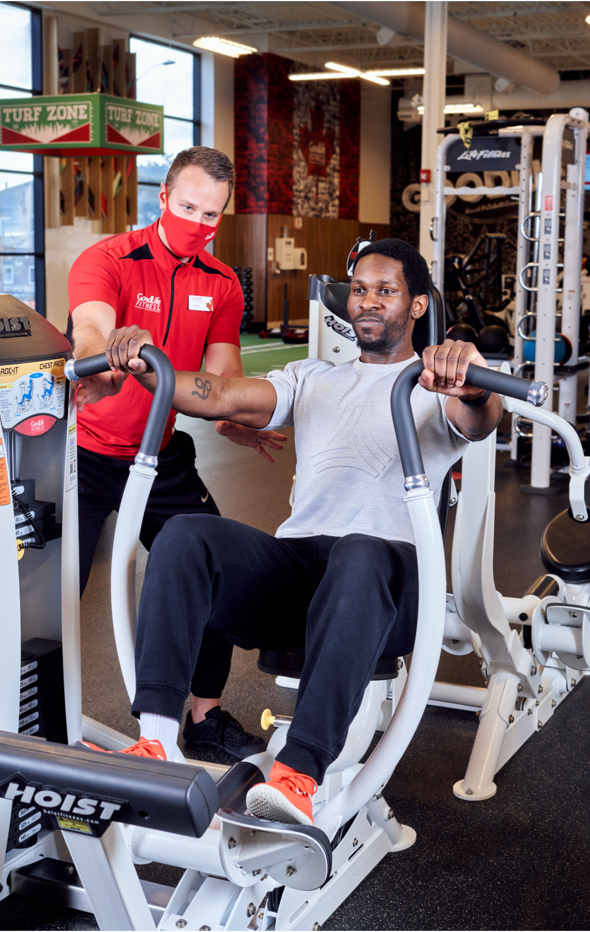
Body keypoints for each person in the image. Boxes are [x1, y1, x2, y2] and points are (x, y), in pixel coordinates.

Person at [95, 238, 503, 825]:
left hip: (391, 581)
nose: (367, 302)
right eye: (360, 289)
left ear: (416, 305)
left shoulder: (434, 384)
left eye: (385, 291)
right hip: (302, 573)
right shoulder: (312, 377)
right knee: (186, 532)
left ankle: (299, 774)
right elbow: (221, 397)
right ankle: (156, 740)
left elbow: (481, 418)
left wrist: (473, 382)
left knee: (359, 554)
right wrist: (147, 363)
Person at [68, 146, 287, 760]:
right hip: (84, 456)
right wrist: (107, 351)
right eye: (188, 207)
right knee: (53, 594)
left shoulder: (220, 284)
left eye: (211, 215)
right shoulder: (106, 259)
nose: (198, 222)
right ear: (162, 199)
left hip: (160, 458)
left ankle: (204, 715)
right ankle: (38, 718)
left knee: (212, 566)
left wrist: (238, 419)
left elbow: (223, 381)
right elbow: (89, 328)